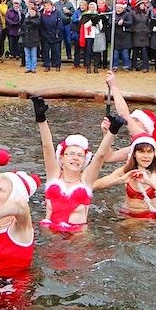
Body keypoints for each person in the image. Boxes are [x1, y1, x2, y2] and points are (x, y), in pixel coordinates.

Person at [30, 98, 118, 231]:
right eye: (70, 154)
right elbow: (47, 146)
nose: (75, 158)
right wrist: (41, 118)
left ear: (84, 161)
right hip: (50, 235)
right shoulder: (54, 176)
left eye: (80, 155)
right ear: (62, 158)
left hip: (78, 239)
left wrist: (112, 132)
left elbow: (100, 156)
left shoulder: (86, 180)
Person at [94, 134, 156, 219]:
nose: (146, 156)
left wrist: (149, 182)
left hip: (149, 217)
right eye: (141, 152)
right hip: (127, 213)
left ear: (153, 154)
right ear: (134, 154)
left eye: (149, 152)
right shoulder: (126, 171)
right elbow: (95, 185)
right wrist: (120, 180)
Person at [0, 171, 39, 278]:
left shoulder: (20, 226)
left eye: (1, 190)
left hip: (10, 288)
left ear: (14, 196)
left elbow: (19, 203)